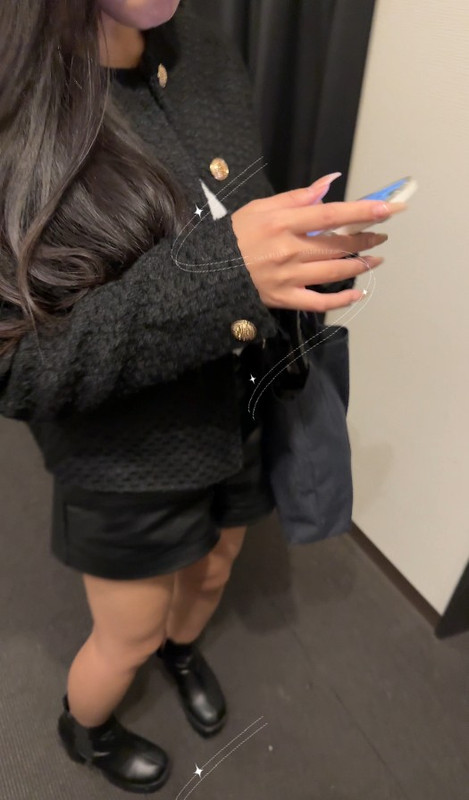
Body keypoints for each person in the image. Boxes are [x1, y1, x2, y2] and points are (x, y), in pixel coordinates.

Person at [0, 0, 405, 793]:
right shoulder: (19, 106)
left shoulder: (204, 47)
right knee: (126, 634)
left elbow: (229, 203)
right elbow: (21, 369)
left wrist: (294, 250)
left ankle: (181, 654)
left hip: (242, 407)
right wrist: (225, 273)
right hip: (126, 459)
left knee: (215, 570)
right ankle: (86, 729)